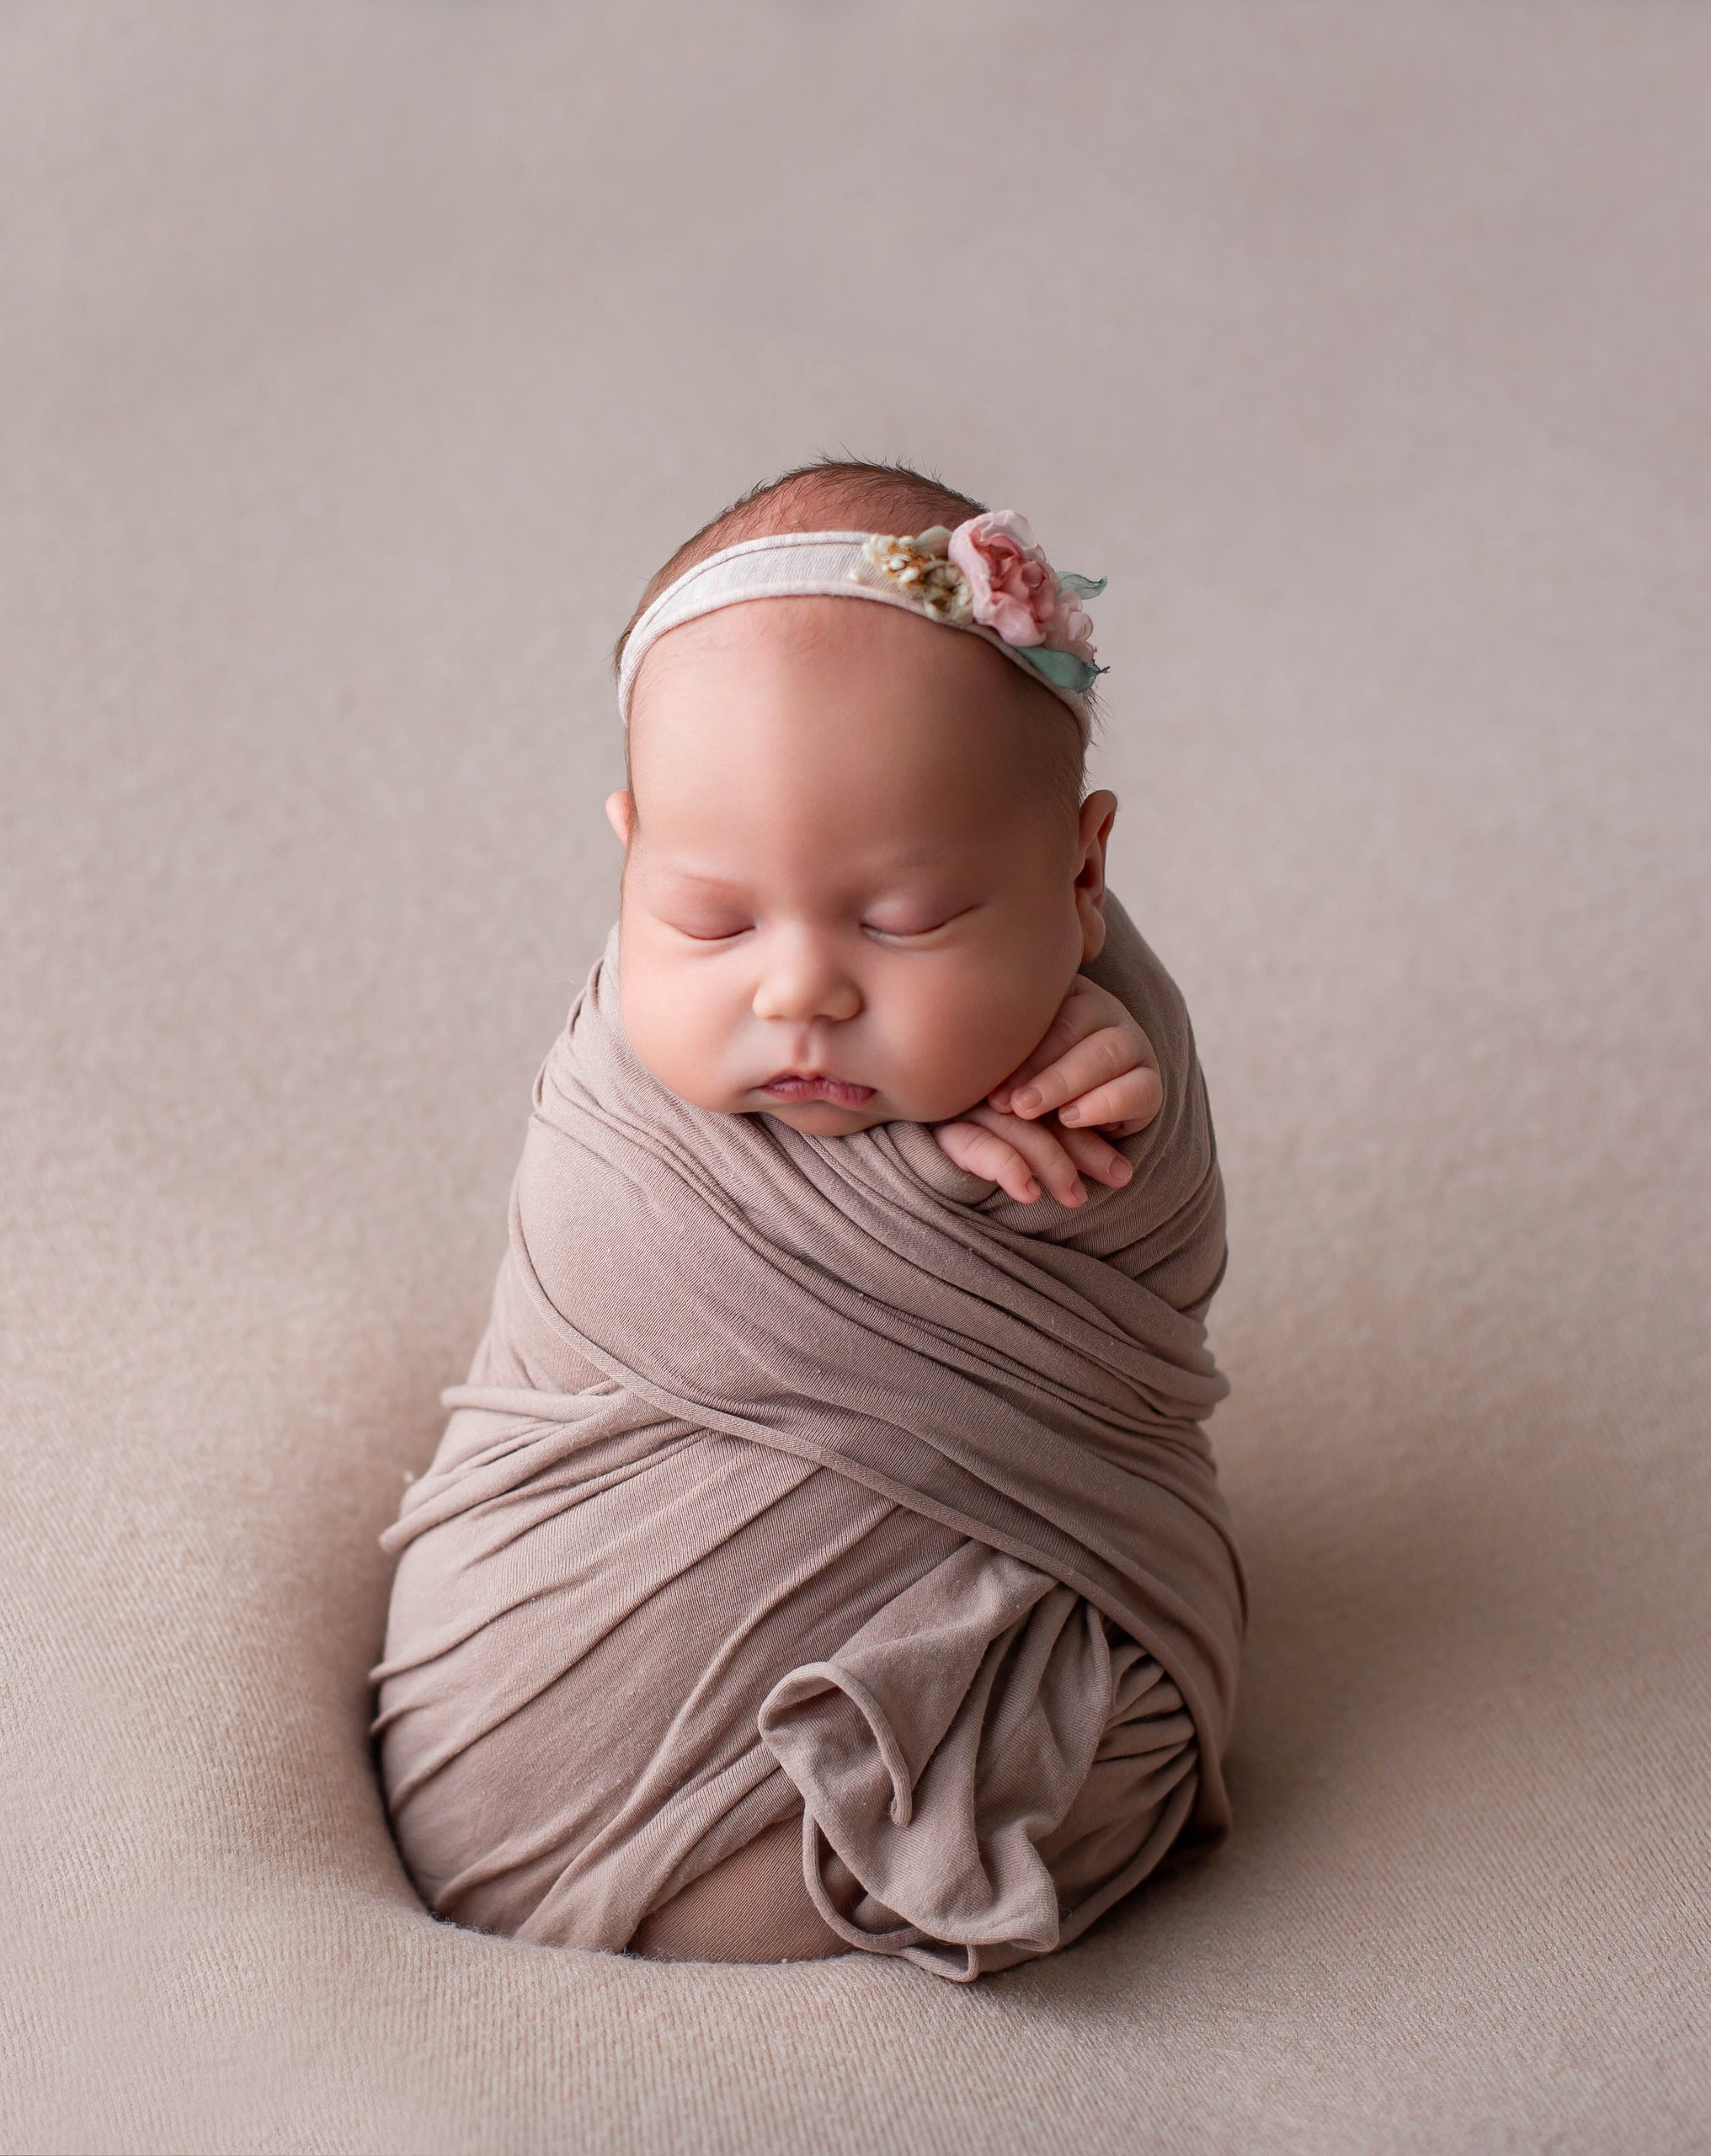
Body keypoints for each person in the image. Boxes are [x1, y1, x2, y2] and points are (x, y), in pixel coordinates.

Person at [371, 461, 1244, 1979]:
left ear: (1082, 876)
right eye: (709, 918)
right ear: (633, 851)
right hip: (513, 1718)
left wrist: (1116, 1089)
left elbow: (1145, 1278)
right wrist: (923, 1173)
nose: (800, 992)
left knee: (1114, 1734)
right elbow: (615, 1279)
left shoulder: (1104, 1042)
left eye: (904, 924)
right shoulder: (612, 1118)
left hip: (822, 1769)